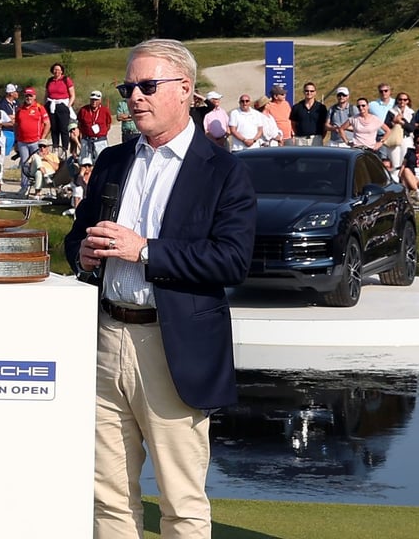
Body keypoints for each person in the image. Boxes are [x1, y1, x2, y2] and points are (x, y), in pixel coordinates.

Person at [63, 38, 255, 539]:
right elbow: (77, 235)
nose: (135, 97)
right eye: (129, 87)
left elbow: (232, 261)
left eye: (147, 86)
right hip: (105, 337)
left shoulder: (224, 171)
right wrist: (80, 253)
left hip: (173, 346)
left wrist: (145, 250)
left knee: (181, 502)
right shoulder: (113, 161)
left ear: (186, 90)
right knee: (107, 497)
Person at [14, 87, 51, 196]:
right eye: (26, 96)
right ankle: (24, 187)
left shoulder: (40, 108)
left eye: (30, 96)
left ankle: (38, 189)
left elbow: (47, 124)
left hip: (35, 141)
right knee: (24, 165)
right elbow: (16, 125)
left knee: (37, 164)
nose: (28, 98)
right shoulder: (20, 109)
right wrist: (16, 141)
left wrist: (42, 138)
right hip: (22, 142)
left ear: (34, 96)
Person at [45, 62, 75, 148]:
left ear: (61, 71)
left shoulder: (66, 80)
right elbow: (46, 94)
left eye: (58, 70)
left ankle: (65, 148)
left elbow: (72, 94)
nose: (56, 71)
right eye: (55, 69)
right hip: (51, 105)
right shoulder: (50, 80)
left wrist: (68, 106)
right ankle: (55, 147)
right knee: (54, 129)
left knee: (63, 128)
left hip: (63, 105)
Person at [77, 90, 113, 161]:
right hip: (86, 140)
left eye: (96, 100)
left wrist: (101, 133)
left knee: (102, 161)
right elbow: (79, 124)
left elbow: (108, 124)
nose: (94, 102)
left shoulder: (105, 110)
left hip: (100, 140)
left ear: (100, 100)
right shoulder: (83, 110)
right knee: (85, 162)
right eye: (92, 99)